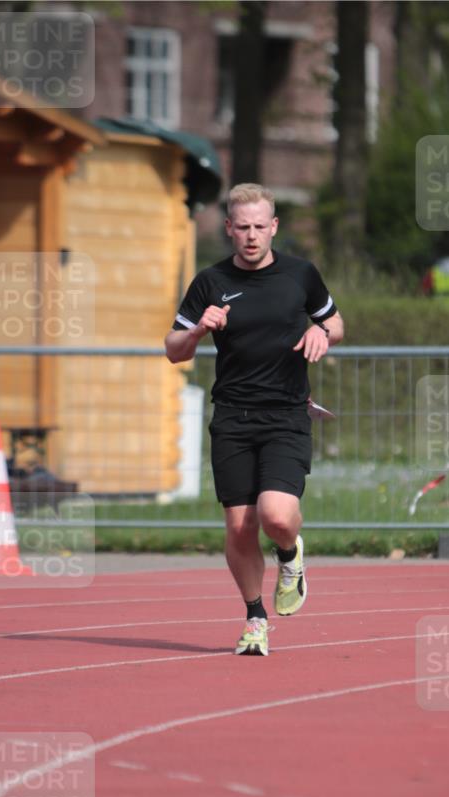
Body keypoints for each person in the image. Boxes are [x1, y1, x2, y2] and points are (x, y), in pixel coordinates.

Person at [165, 183, 344, 656]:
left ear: (274, 227)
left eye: (259, 227)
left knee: (277, 516)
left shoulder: (300, 275)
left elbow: (336, 322)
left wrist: (320, 332)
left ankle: (290, 554)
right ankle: (255, 617)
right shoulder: (210, 282)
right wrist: (200, 328)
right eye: (241, 227)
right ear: (228, 228)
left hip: (286, 413)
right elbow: (173, 350)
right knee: (240, 528)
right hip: (233, 418)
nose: (250, 236)